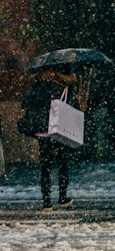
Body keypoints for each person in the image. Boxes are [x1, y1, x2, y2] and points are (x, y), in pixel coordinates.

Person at [20, 69, 78, 209]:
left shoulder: (37, 87)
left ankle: (46, 201)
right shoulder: (63, 86)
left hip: (42, 131)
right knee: (63, 164)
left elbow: (25, 103)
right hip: (59, 128)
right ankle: (62, 197)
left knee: (45, 166)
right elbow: (73, 104)